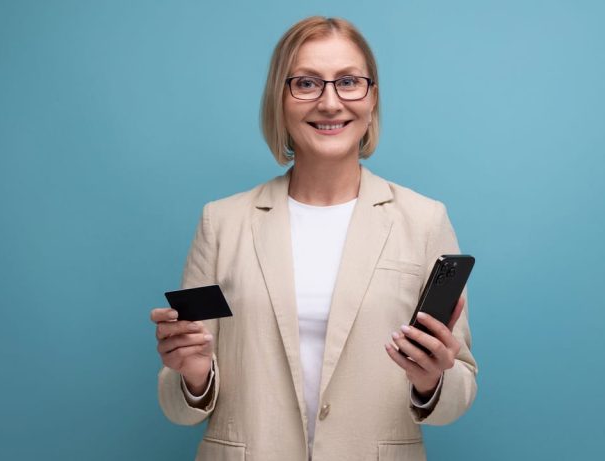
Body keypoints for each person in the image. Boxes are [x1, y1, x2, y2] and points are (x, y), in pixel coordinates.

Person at [150, 16, 477, 461]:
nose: (329, 102)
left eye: (348, 82)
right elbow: (177, 408)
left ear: (372, 97)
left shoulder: (423, 221)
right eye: (306, 83)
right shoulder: (221, 223)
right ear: (280, 99)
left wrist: (432, 380)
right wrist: (193, 375)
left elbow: (459, 390)